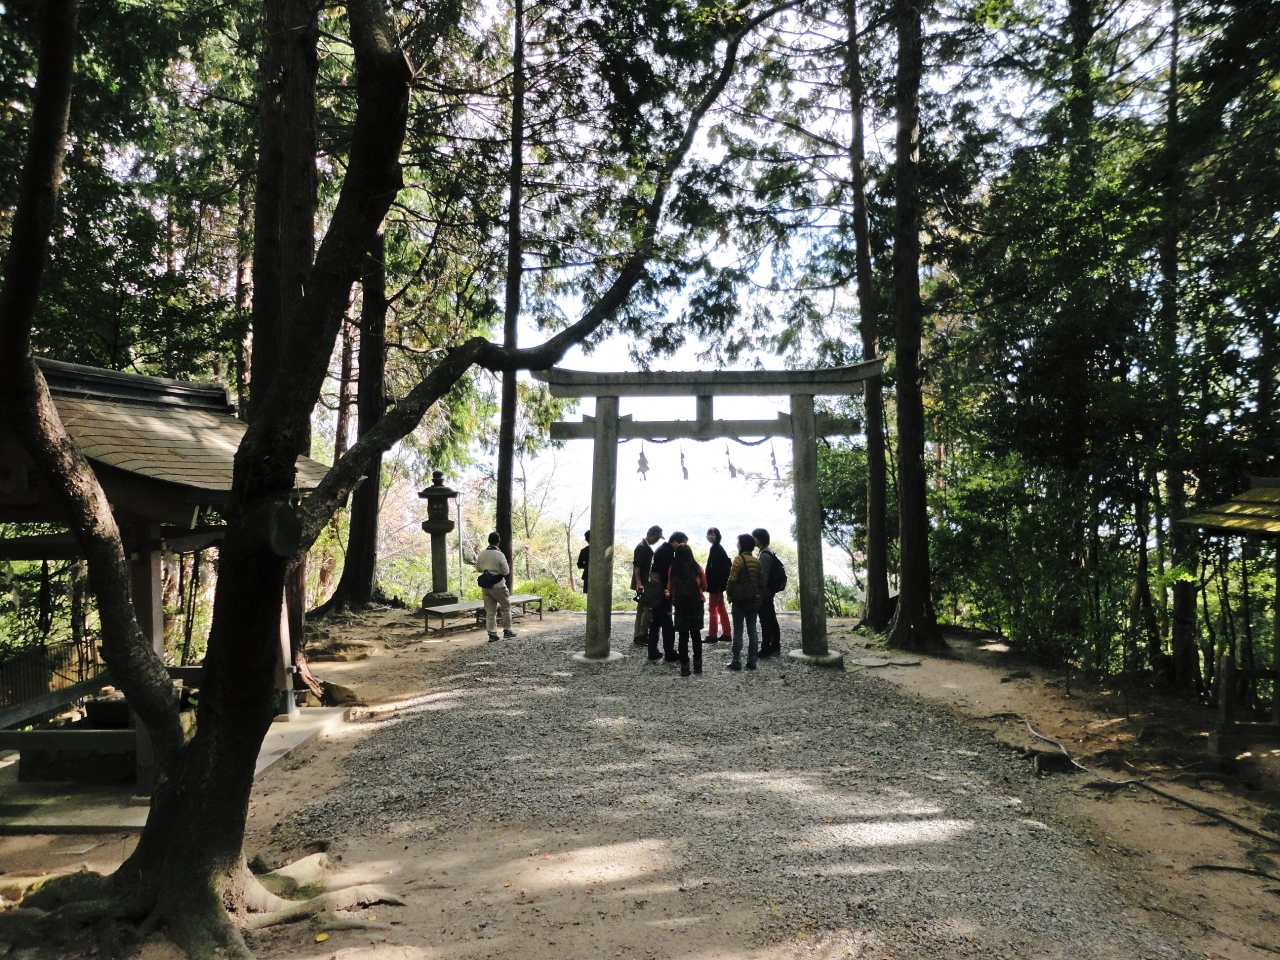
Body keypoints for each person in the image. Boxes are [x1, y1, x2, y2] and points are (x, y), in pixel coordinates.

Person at [666, 543, 707, 676]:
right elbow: (705, 586)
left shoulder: (673, 568)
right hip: (696, 605)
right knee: (696, 635)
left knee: (683, 637)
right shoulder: (697, 567)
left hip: (680, 606)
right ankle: (698, 665)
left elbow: (670, 588)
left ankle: (684, 667)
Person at [725, 533, 762, 671]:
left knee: (738, 631)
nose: (737, 545)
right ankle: (752, 661)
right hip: (753, 600)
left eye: (738, 542)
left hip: (740, 600)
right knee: (752, 630)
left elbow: (732, 579)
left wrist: (729, 593)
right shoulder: (757, 561)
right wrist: (758, 596)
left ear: (741, 545)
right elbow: (761, 582)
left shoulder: (738, 560)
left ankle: (736, 661)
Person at [646, 530, 685, 662]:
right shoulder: (667, 552)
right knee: (667, 623)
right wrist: (667, 590)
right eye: (682, 544)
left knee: (656, 622)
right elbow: (665, 574)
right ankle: (669, 652)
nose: (683, 547)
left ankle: (653, 651)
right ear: (675, 542)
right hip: (662, 592)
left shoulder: (662, 549)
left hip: (657, 591)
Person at [475, 532, 515, 642]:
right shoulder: (499, 555)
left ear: (488, 541)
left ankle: (492, 634)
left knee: (490, 611)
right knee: (506, 607)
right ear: (498, 542)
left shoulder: (482, 554)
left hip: (486, 585)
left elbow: (478, 569)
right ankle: (507, 630)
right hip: (499, 585)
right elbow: (506, 571)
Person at [753, 527, 781, 658]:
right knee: (772, 619)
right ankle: (775, 645)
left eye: (754, 538)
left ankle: (766, 648)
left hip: (765, 594)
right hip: (770, 592)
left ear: (759, 539)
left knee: (766, 621)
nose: (753, 540)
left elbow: (763, 578)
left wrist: (760, 595)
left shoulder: (764, 555)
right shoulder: (769, 552)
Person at [632, 525, 662, 645]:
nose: (657, 540)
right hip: (644, 582)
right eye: (657, 538)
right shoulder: (642, 548)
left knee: (642, 608)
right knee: (646, 609)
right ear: (651, 535)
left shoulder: (644, 546)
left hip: (644, 581)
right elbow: (637, 565)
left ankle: (639, 634)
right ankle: (641, 634)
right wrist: (639, 582)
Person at [704, 527, 731, 642]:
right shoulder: (718, 548)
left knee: (713, 609)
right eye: (709, 534)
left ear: (717, 536)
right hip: (719, 585)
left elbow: (715, 570)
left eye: (712, 535)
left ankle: (713, 634)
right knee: (721, 608)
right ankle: (726, 633)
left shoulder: (716, 549)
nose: (710, 536)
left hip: (715, 585)